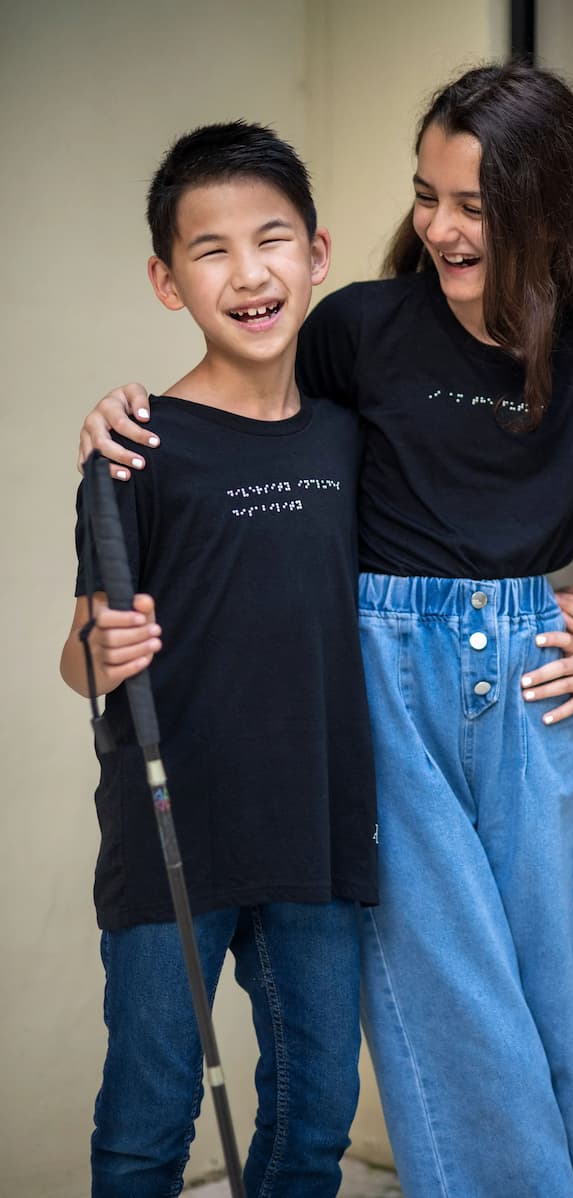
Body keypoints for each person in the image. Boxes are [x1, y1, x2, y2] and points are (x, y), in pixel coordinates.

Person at [76, 63, 573, 1198]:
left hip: (526, 675)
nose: (443, 230)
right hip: (379, 677)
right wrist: (133, 413)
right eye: (428, 197)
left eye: (476, 205)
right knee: (449, 1005)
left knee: (528, 998)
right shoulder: (359, 326)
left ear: (545, 208)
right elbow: (256, 433)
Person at [60, 121, 380, 1198]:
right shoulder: (133, 447)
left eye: (272, 239)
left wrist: (556, 598)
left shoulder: (348, 436)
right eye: (211, 250)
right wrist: (98, 651)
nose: (248, 273)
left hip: (318, 832)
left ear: (317, 255)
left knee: (313, 1118)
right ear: (167, 280)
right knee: (147, 1127)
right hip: (172, 841)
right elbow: (83, 656)